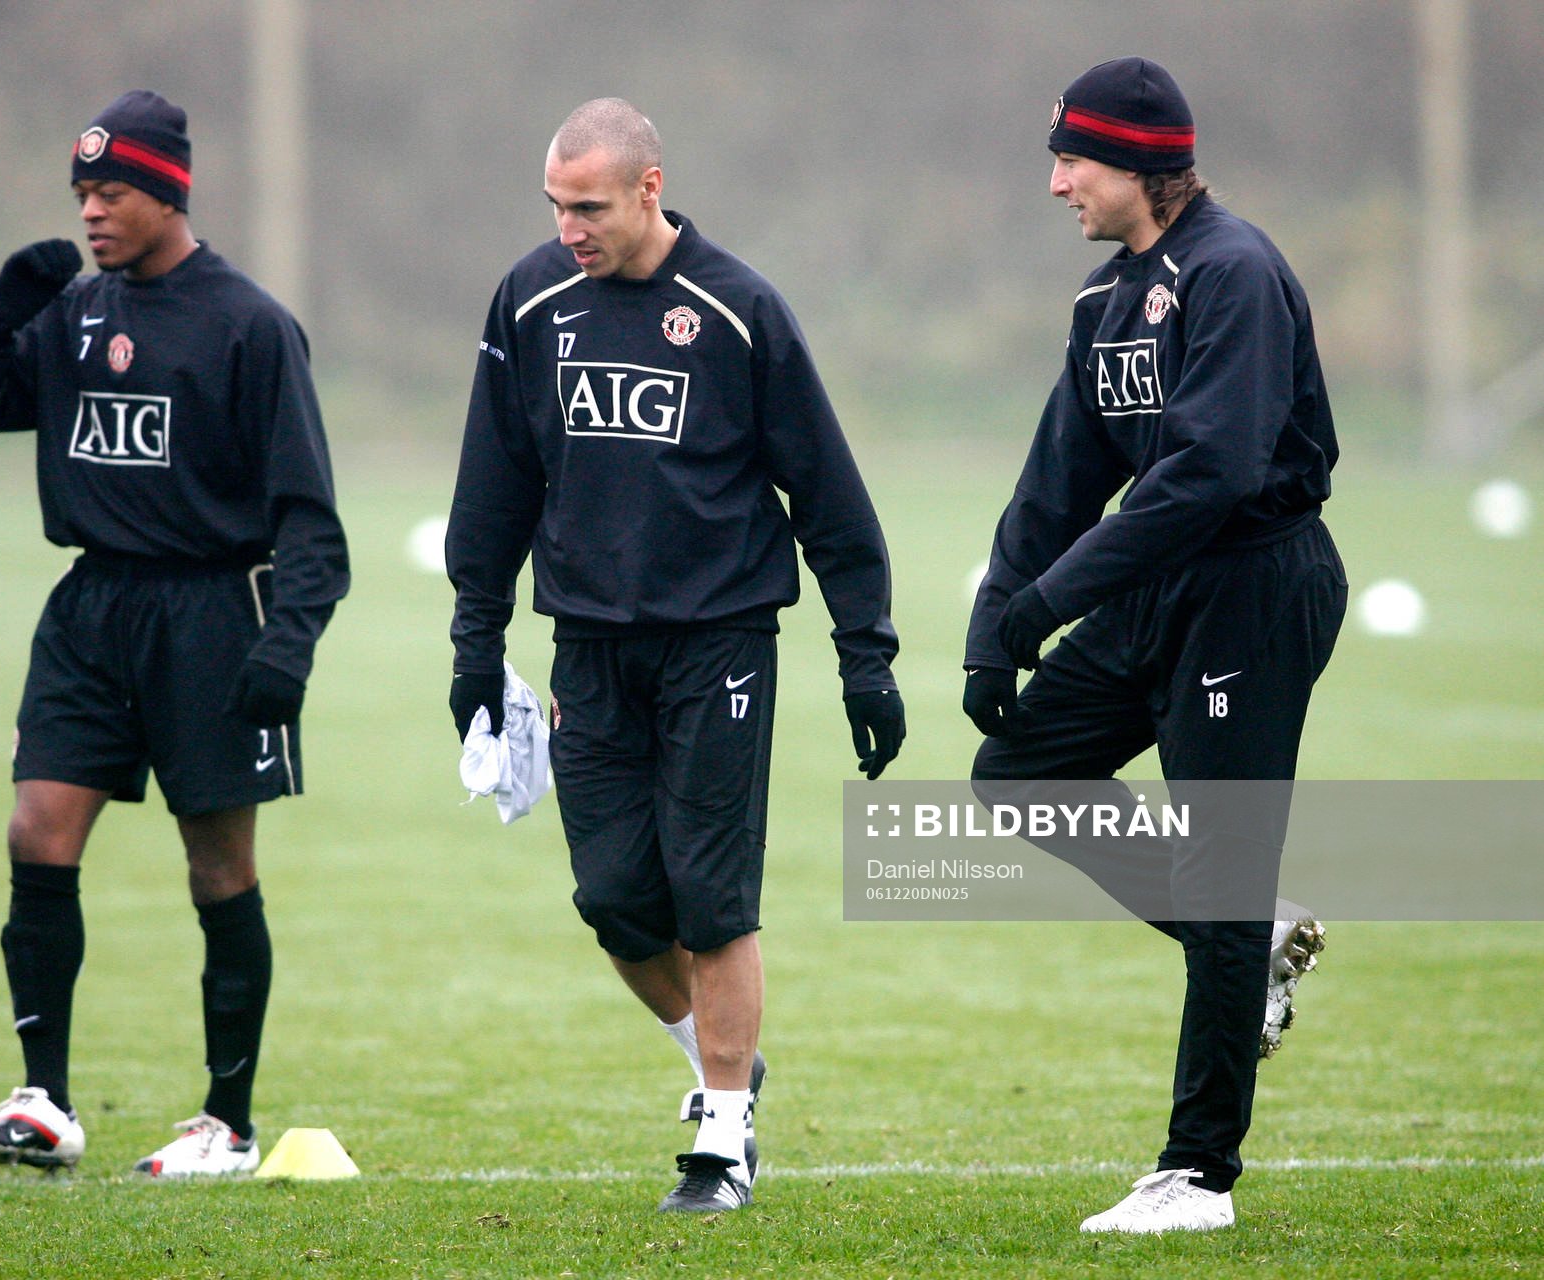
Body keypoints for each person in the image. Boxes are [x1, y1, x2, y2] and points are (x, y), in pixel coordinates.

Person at [446, 98, 905, 1213]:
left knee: (710, 892)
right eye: (555, 207)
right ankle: (724, 1059)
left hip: (721, 641)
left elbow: (829, 493)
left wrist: (866, 654)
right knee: (611, 898)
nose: (569, 229)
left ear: (649, 189)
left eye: (588, 207)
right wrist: (475, 636)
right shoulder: (530, 301)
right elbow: (495, 478)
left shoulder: (737, 310)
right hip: (588, 649)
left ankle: (724, 1137)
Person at [0, 90, 349, 1178]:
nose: (91, 213)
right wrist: (5, 299)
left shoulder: (248, 325)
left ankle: (227, 1120)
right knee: (36, 830)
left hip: (212, 615)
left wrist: (288, 644)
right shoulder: (71, 312)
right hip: (89, 611)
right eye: (81, 195)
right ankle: (45, 1101)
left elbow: (310, 516)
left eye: (111, 191)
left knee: (217, 864)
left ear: (169, 192)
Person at [962, 58, 1345, 1233]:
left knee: (1218, 869)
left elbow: (1207, 475)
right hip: (1154, 590)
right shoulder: (1103, 300)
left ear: (1135, 160)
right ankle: (1255, 932)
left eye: (1070, 158)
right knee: (1016, 777)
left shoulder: (1235, 273)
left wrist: (1049, 603)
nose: (1054, 182)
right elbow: (1058, 479)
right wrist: (995, 620)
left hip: (1248, 586)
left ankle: (1197, 1176)